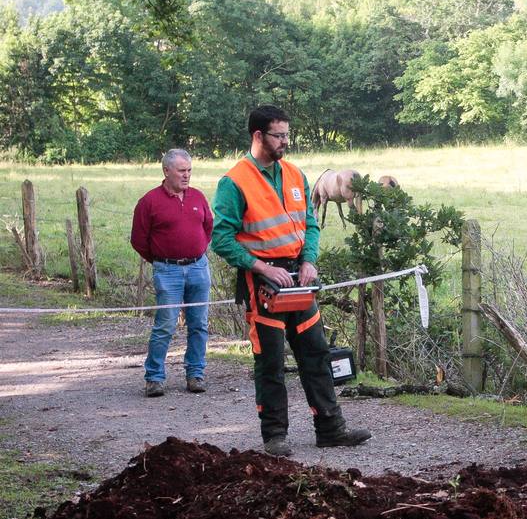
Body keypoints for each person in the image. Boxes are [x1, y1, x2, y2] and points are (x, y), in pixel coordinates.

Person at [211, 105, 370, 457]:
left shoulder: (296, 175)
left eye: (287, 135)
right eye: (278, 136)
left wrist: (309, 260)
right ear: (258, 136)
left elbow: (310, 224)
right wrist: (262, 267)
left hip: (299, 279)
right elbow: (221, 238)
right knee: (270, 361)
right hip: (263, 282)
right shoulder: (234, 182)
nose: (285, 142)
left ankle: (331, 429)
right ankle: (275, 437)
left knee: (316, 353)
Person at [131, 149, 214, 397]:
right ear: (166, 171)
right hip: (167, 270)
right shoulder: (149, 202)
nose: (186, 175)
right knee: (165, 324)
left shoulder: (198, 197)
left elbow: (208, 227)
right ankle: (154, 378)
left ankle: (195, 374)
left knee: (199, 323)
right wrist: (161, 260)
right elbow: (138, 240)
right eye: (181, 171)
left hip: (199, 268)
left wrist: (196, 251)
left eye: (189, 170)